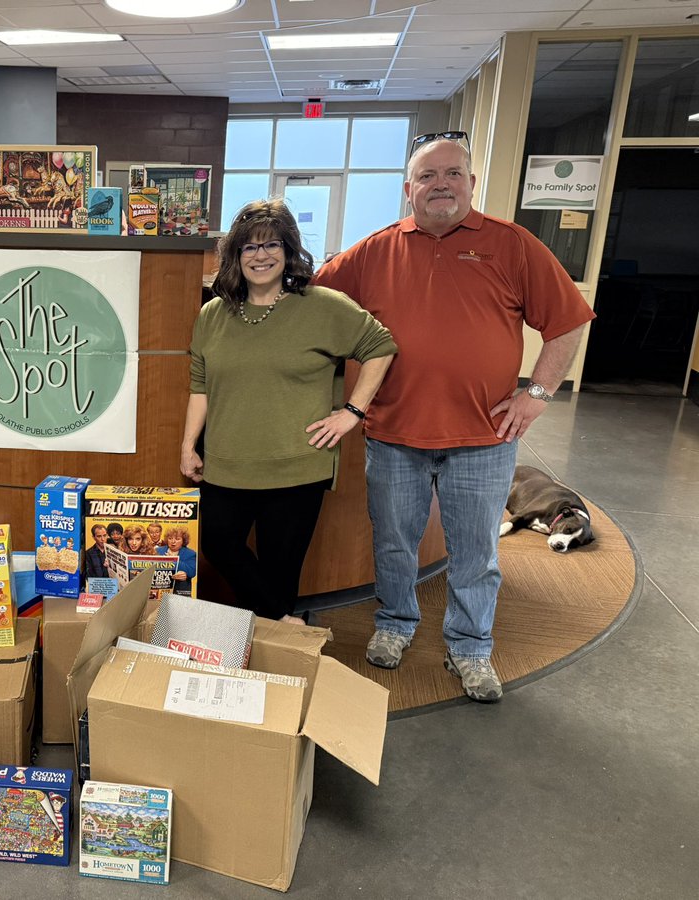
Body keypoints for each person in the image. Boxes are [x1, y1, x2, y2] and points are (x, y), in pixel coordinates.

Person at [312, 132, 595, 702]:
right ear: (408, 188)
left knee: (476, 553)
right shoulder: (374, 251)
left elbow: (565, 323)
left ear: (470, 182)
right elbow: (311, 300)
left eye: (452, 174)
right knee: (394, 544)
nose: (440, 184)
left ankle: (470, 647)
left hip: (484, 436)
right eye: (428, 176)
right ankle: (394, 626)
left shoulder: (513, 245)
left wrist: (536, 393)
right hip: (393, 432)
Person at [181, 199, 397, 622]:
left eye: (271, 245)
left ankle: (271, 652)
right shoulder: (213, 314)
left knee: (281, 569)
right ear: (234, 255)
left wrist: (353, 412)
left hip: (298, 466)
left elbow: (381, 346)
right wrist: (189, 445)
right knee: (219, 547)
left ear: (289, 250)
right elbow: (200, 386)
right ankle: (286, 625)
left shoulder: (323, 305)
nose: (260, 256)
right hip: (226, 464)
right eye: (249, 247)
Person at [156, 527, 197, 597]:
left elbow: (192, 572)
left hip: (181, 591)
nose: (173, 541)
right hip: (161, 590)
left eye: (177, 539)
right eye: (170, 538)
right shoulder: (158, 551)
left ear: (183, 541)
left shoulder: (190, 553)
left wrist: (173, 560)